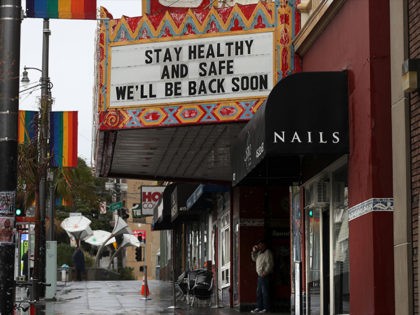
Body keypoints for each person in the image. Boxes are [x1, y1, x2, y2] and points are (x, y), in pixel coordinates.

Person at [251, 239, 274, 313]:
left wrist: (265, 272)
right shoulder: (259, 253)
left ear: (264, 245)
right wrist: (254, 252)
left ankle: (266, 308)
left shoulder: (268, 252)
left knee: (265, 293)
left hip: (265, 275)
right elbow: (254, 259)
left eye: (260, 244)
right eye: (258, 245)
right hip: (260, 276)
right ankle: (259, 307)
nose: (259, 246)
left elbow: (270, 264)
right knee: (259, 293)